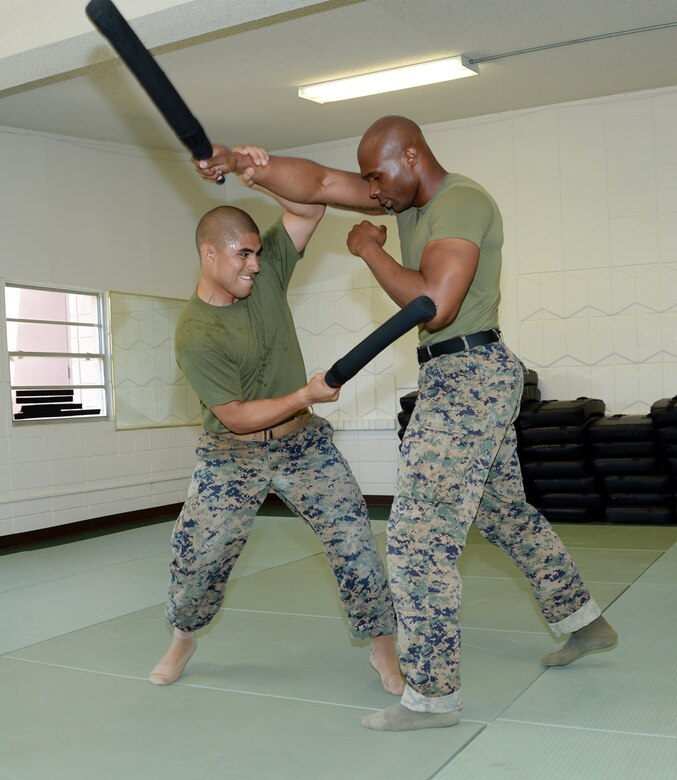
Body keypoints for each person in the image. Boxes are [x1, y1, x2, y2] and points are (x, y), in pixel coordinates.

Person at [192, 116, 619, 732]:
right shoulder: (403, 192)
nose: (373, 191)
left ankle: (432, 696)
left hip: (469, 373)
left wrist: (369, 250)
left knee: (417, 538)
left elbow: (435, 304)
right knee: (503, 513)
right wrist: (238, 162)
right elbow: (315, 181)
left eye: (378, 176)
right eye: (368, 179)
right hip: (462, 374)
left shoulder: (461, 202)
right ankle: (583, 620)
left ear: (411, 157)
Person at [149, 181, 404, 696]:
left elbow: (310, 203)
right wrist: (304, 394)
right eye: (243, 254)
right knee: (200, 558)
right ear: (209, 253)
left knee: (354, 542)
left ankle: (383, 649)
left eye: (258, 253)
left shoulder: (262, 277)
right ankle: (182, 637)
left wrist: (257, 171)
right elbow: (237, 417)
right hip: (231, 453)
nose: (255, 265)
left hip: (303, 444)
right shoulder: (196, 333)